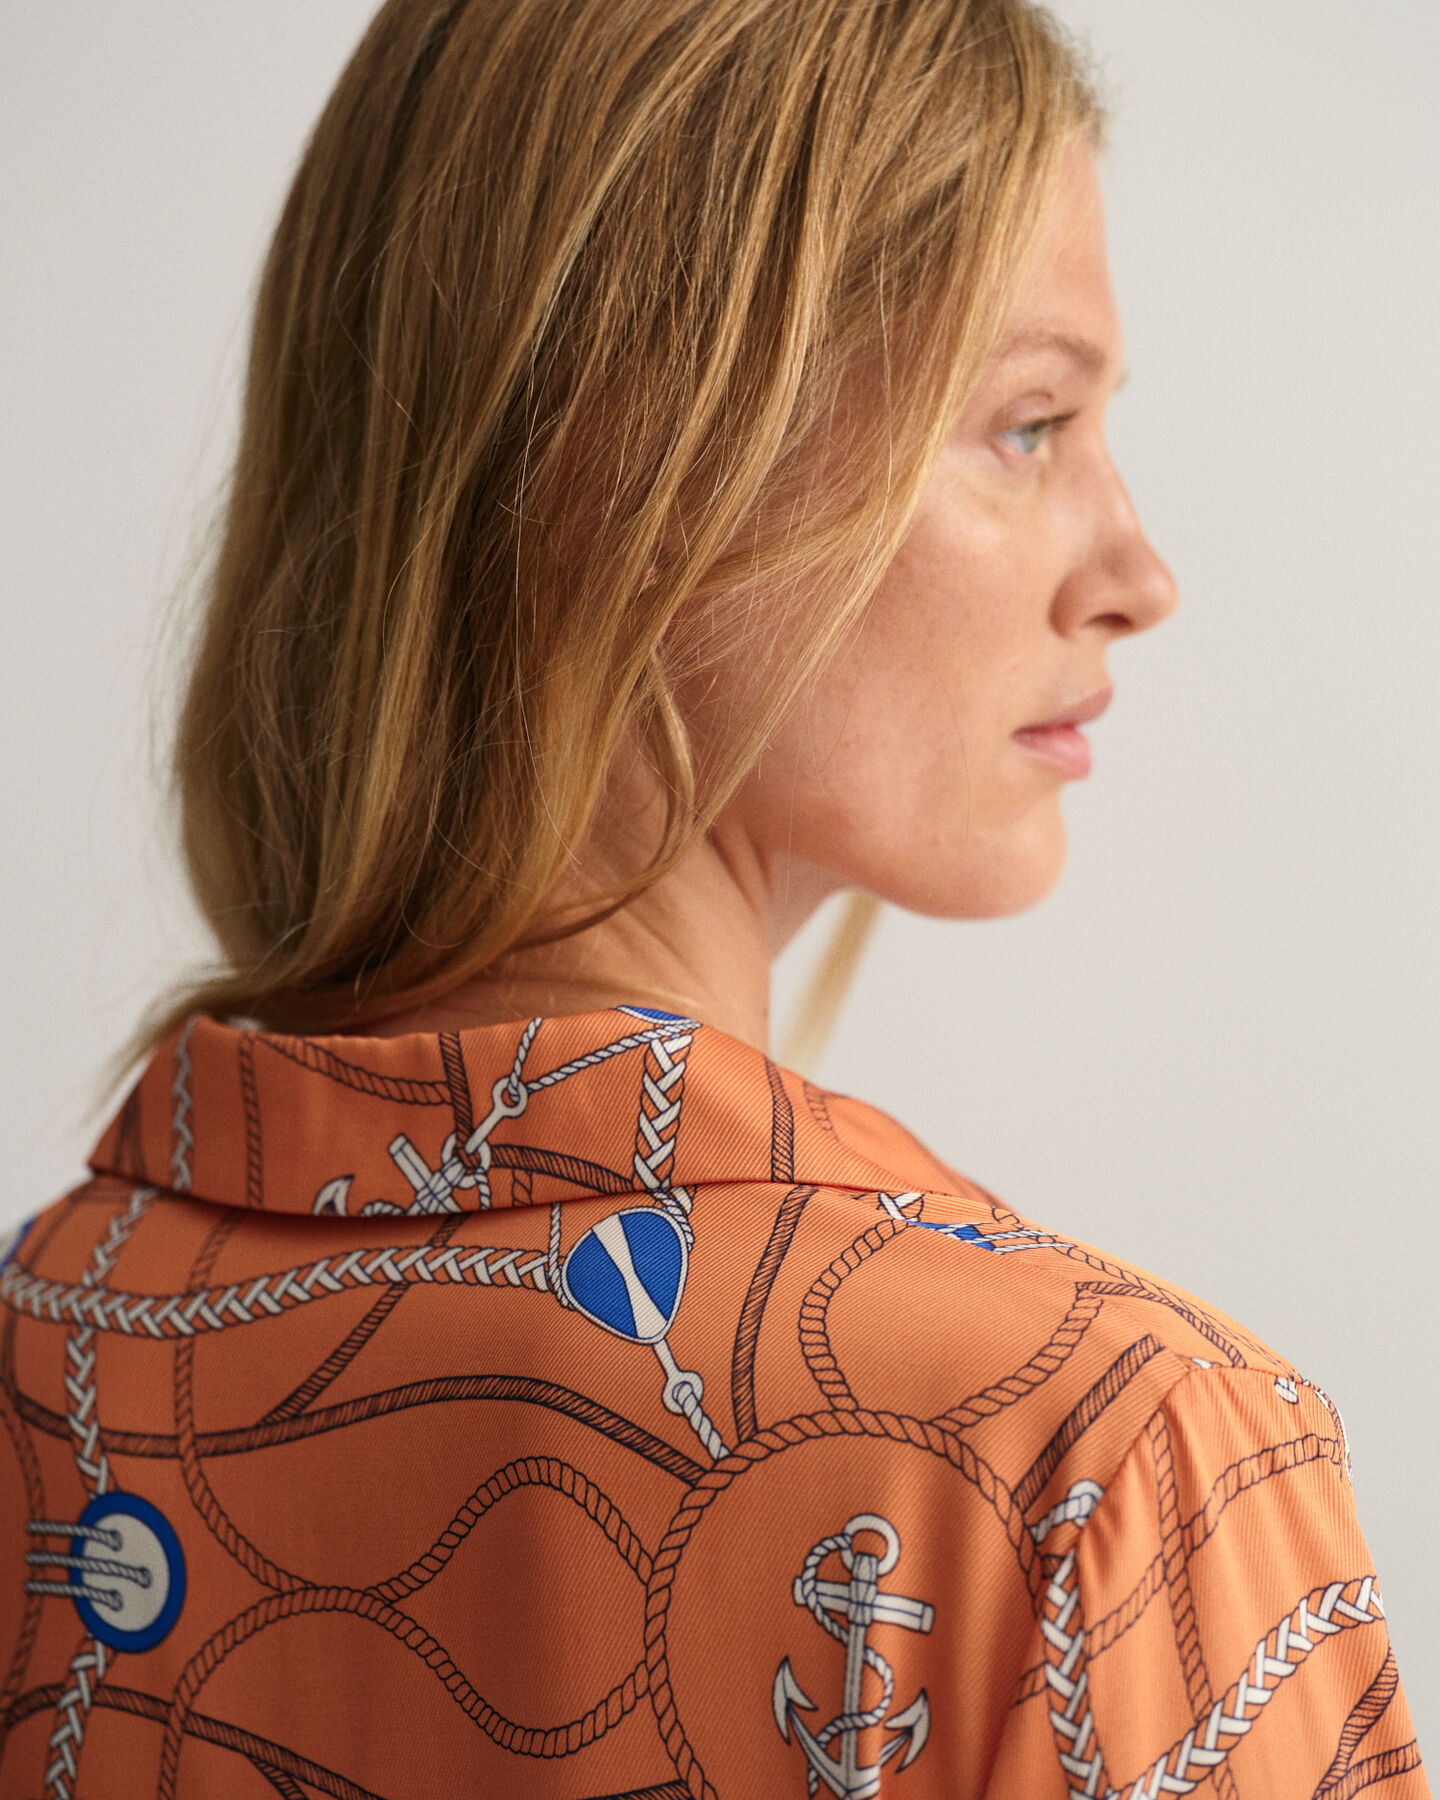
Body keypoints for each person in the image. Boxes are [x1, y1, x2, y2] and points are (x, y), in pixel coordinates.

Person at [0, 0, 1425, 1793]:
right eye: (1029, 424)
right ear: (649, 461)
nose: (1138, 574)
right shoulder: (1103, 1463)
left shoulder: (60, 1342)